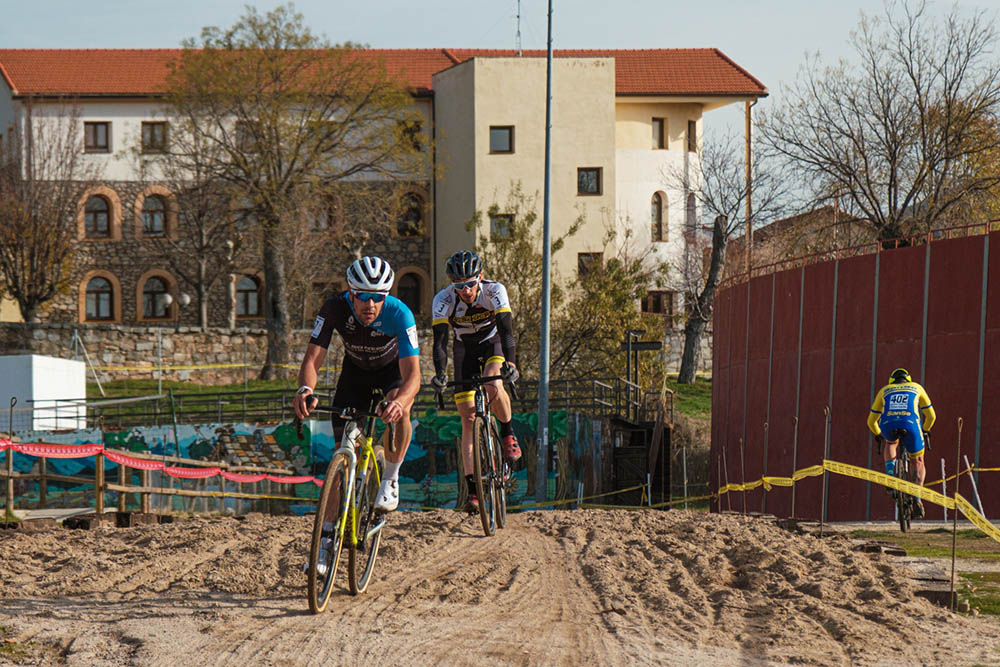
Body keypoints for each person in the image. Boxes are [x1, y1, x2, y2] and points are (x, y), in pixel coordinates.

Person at [293, 255, 420, 514]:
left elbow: (413, 376)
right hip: (354, 373)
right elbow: (313, 358)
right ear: (351, 293)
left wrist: (399, 403)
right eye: (363, 296)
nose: (370, 304)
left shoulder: (400, 313)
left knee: (403, 409)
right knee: (340, 454)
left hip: (391, 372)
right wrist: (305, 389)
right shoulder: (334, 308)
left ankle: (391, 477)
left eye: (378, 297)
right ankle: (328, 530)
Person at [431, 250, 520, 512]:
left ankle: (507, 433)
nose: (466, 291)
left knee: (493, 383)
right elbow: (439, 343)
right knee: (467, 419)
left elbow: (507, 331)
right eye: (459, 286)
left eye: (470, 284)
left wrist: (511, 364)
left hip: (492, 343)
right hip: (464, 350)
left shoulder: (494, 291)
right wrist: (440, 373)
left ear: (479, 278)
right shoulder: (443, 299)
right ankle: (473, 491)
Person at [867, 367, 936, 518]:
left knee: (890, 443)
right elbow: (931, 416)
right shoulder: (917, 387)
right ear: (908, 380)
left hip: (888, 424)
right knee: (917, 460)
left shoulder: (884, 390)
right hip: (911, 425)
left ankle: (890, 473)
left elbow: (871, 421)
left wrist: (878, 434)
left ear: (891, 381)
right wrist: (925, 430)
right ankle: (917, 498)